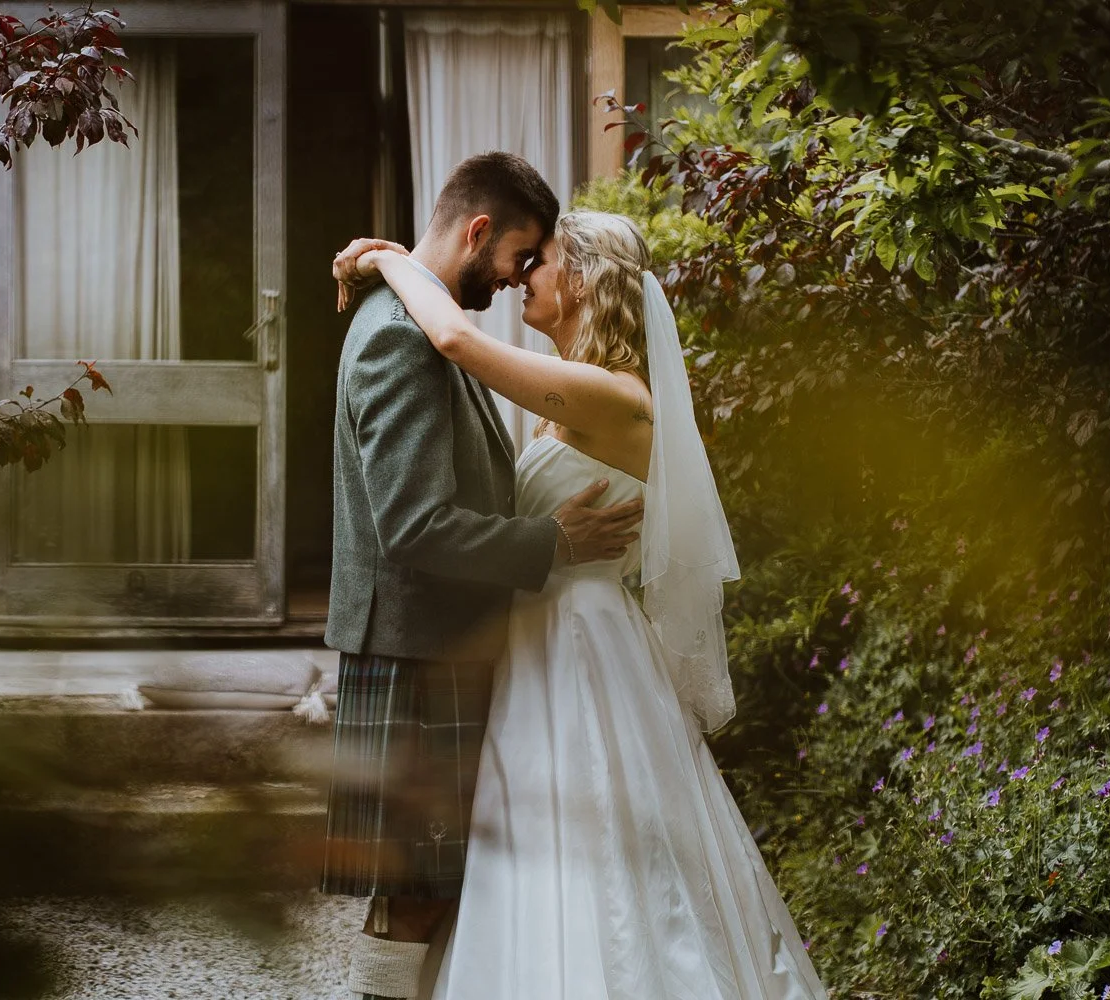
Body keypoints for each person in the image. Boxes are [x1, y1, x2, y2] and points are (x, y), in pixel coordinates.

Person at [331, 210, 829, 999]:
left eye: (541, 261)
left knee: (587, 848)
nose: (522, 275)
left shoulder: (612, 397)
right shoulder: (574, 400)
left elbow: (455, 342)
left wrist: (390, 263)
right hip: (537, 641)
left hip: (581, 650)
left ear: (585, 281)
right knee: (514, 855)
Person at [320, 154, 644, 1000]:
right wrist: (551, 543)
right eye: (517, 257)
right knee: (418, 892)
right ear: (478, 231)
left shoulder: (419, 325)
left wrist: (382, 258)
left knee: (432, 888)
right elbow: (414, 524)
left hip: (440, 650)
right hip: (415, 653)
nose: (517, 279)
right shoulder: (404, 338)